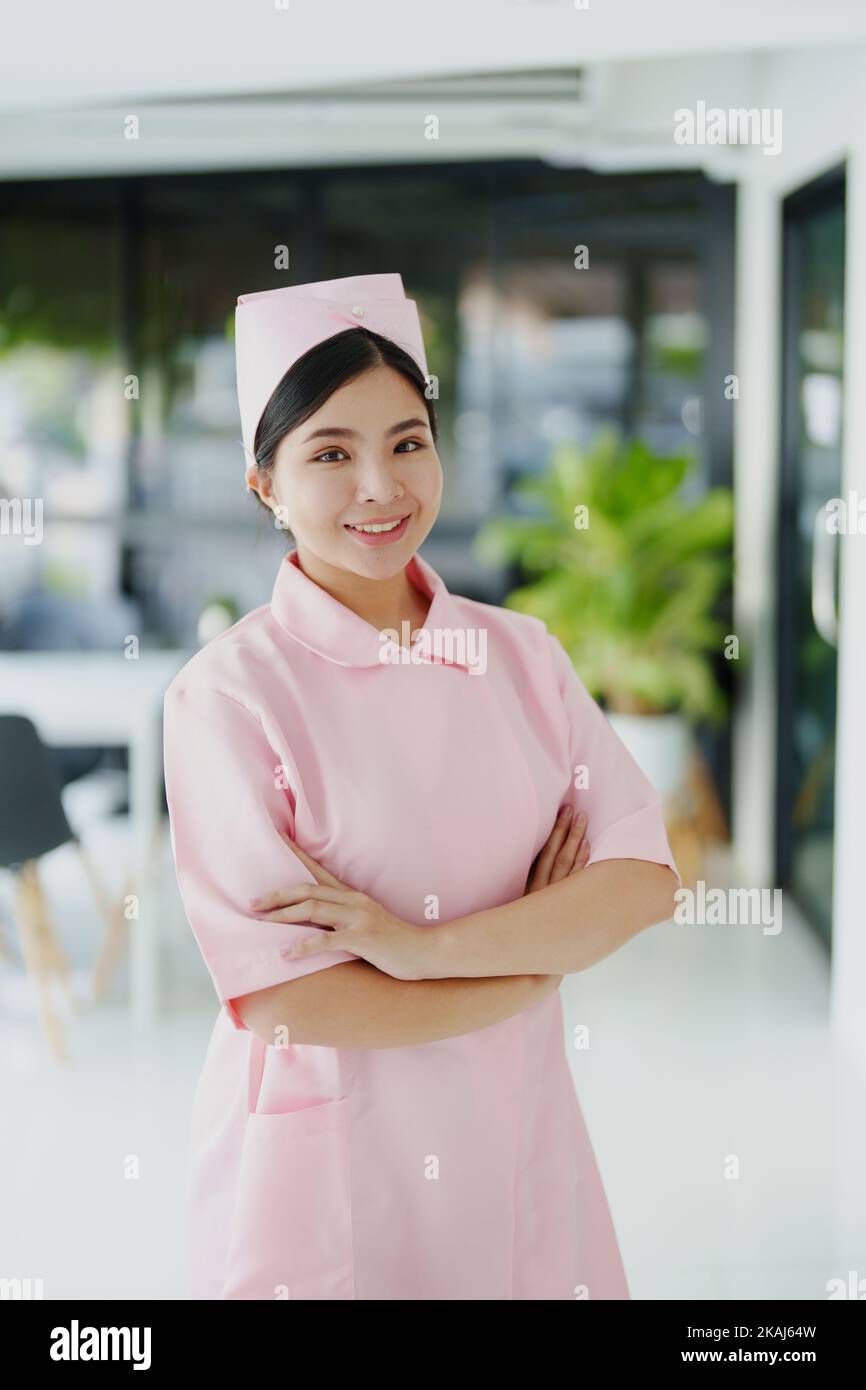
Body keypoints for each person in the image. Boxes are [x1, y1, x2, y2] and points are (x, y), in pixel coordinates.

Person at [162, 272, 681, 1301]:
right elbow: (283, 996)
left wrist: (416, 951)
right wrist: (529, 964)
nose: (380, 488)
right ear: (262, 484)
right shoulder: (228, 696)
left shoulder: (522, 656)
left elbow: (640, 879)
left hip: (516, 1133)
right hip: (324, 1161)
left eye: (406, 442)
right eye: (329, 454)